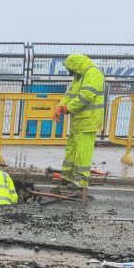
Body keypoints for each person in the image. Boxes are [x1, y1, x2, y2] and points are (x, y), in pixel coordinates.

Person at [53, 54, 106, 189]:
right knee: (72, 147)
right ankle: (68, 176)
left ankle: (81, 181)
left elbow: (86, 95)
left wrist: (69, 108)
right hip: (79, 119)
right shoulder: (79, 76)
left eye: (71, 69)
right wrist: (60, 105)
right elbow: (69, 94)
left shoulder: (93, 72)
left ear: (76, 66)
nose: (71, 72)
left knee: (83, 150)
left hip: (89, 120)